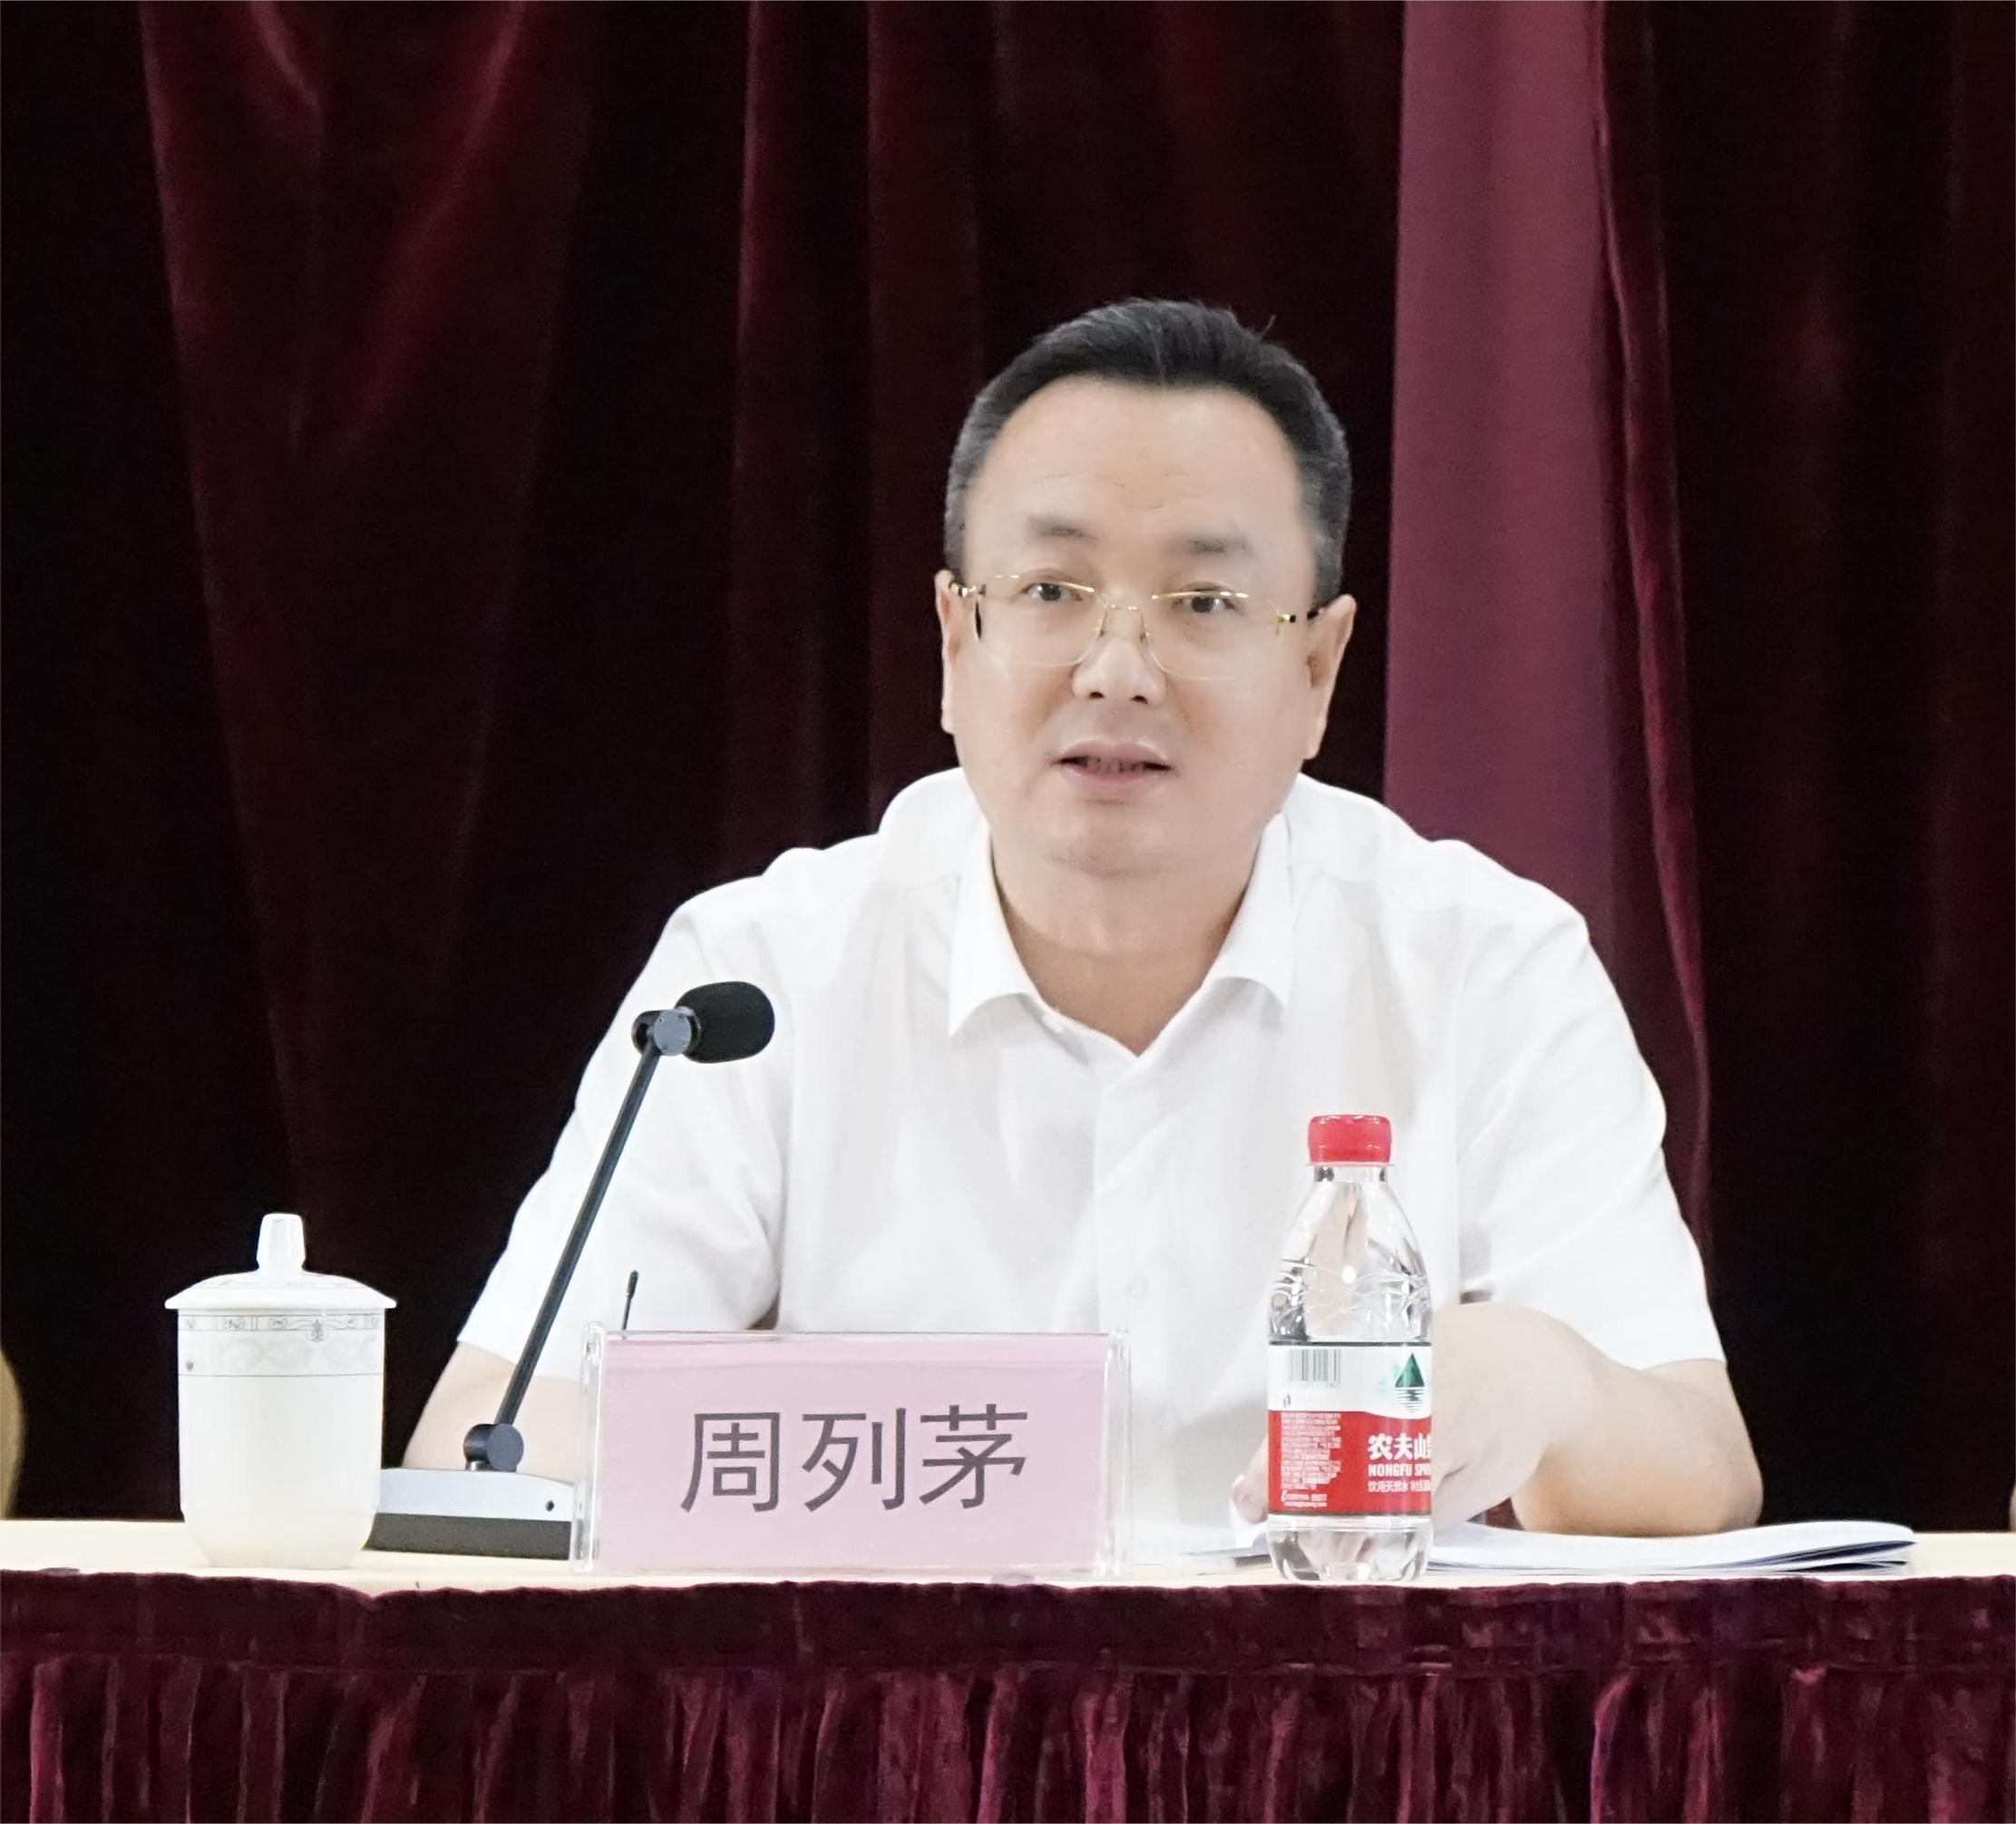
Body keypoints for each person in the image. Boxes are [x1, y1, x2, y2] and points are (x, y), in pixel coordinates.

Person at [410, 299, 1760, 1554]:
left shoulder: (1486, 966)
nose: (1117, 671)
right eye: (1051, 593)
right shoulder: (762, 977)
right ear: (955, 644)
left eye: (1205, 604)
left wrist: (1540, 1380)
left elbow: (1699, 1471)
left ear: (1317, 668)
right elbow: (490, 1449)